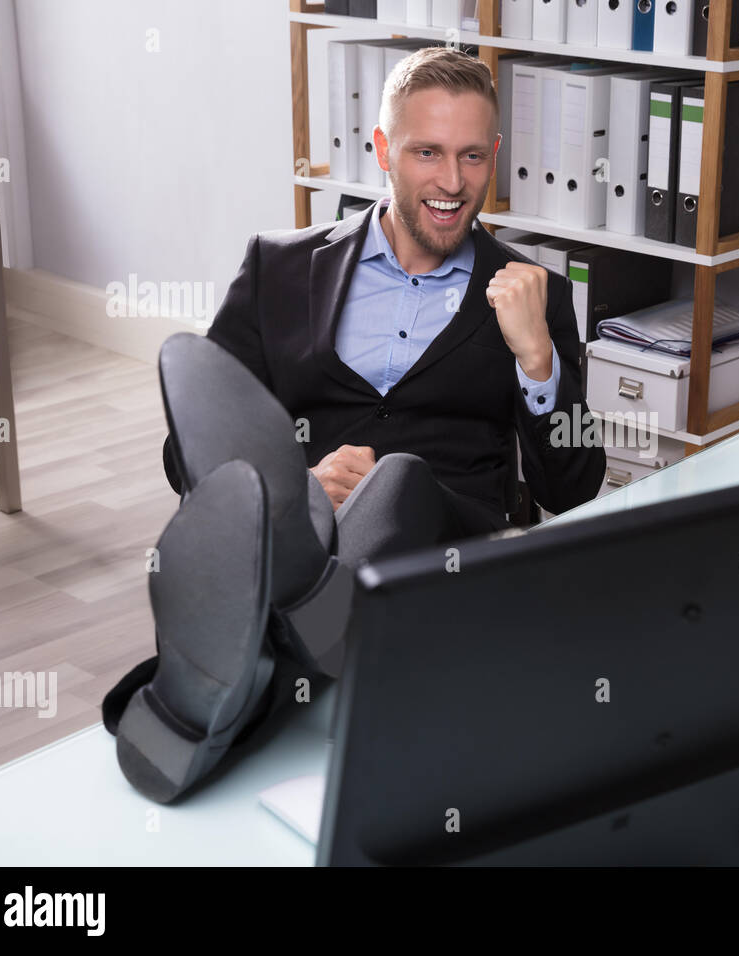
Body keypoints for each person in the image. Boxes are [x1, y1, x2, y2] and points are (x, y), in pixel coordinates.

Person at [102, 46, 606, 802]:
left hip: (449, 551)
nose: (452, 182)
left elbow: (575, 486)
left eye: (473, 156)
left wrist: (537, 359)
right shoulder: (279, 267)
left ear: (495, 156)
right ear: (380, 151)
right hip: (308, 539)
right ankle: (280, 654)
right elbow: (190, 453)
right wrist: (297, 490)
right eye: (426, 152)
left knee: (399, 480)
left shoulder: (536, 294)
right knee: (274, 508)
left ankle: (236, 680)